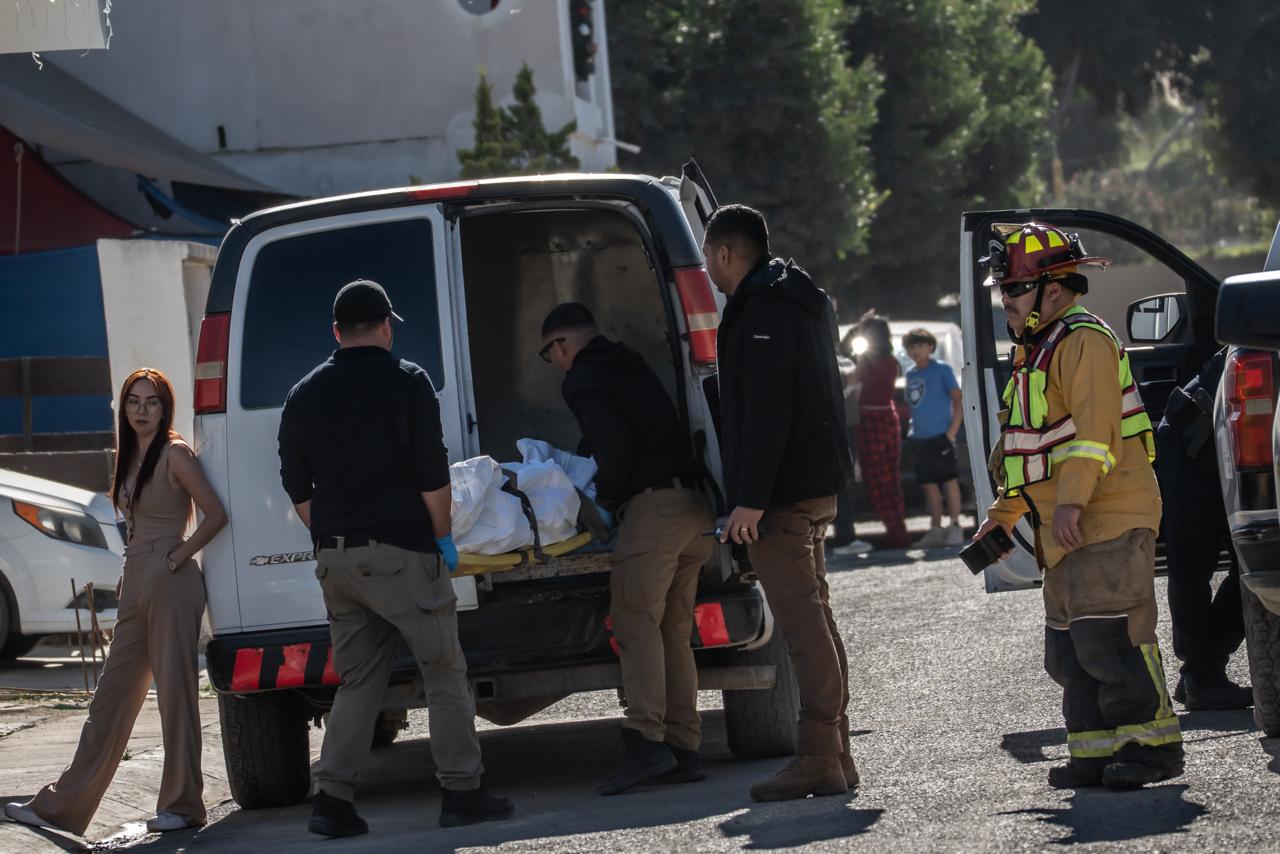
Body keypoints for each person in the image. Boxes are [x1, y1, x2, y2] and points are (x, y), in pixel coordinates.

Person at [277, 279, 512, 836]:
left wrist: (336, 533)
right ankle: (462, 793)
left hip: (337, 562)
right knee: (444, 671)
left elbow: (296, 484)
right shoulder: (408, 382)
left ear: (337, 332)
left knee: (359, 682)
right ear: (385, 327)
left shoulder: (303, 394)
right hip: (402, 554)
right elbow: (433, 474)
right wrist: (441, 539)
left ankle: (332, 803)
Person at [975, 222, 1183, 790]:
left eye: (1014, 290)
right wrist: (1002, 518)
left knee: (1113, 641)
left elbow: (1094, 436)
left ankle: (1151, 749)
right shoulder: (1036, 353)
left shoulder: (1083, 341)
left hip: (1104, 518)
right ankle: (1093, 752)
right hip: (1063, 529)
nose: (1006, 303)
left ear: (1055, 288)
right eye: (1004, 290)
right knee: (1070, 655)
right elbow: (1027, 452)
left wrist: (1069, 505)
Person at [5, 367, 228, 836]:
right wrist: (136, 575)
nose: (142, 410)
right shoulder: (130, 456)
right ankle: (60, 808)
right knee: (108, 701)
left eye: (151, 402)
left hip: (170, 579)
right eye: (134, 402)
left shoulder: (176, 453)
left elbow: (216, 514)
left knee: (175, 696)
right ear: (123, 409)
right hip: (137, 581)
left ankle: (184, 805)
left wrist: (176, 557)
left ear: (165, 408)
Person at [702, 204, 859, 802]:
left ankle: (821, 755)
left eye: (712, 263)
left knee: (802, 627)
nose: (713, 279)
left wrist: (750, 500)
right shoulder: (798, 296)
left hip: (784, 498)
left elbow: (768, 412)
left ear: (724, 253)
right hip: (811, 488)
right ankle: (834, 754)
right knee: (816, 618)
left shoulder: (762, 308)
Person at [540, 302, 714, 795]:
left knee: (636, 627)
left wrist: (605, 501)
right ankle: (684, 747)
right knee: (672, 634)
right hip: (694, 507)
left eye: (549, 353)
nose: (553, 363)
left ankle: (645, 744)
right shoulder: (628, 362)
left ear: (562, 345)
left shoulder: (580, 378)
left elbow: (613, 444)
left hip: (653, 511)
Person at [1156, 348, 1251, 709]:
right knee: (1196, 564)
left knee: (1243, 566)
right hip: (1193, 442)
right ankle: (1201, 676)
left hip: (1199, 435)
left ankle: (1199, 672)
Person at [851, 311, 910, 550]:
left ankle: (895, 533)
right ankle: (899, 529)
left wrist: (860, 324)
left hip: (870, 417)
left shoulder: (865, 359)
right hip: (889, 415)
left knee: (876, 480)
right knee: (891, 478)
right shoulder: (892, 360)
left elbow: (847, 348)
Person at [902, 328, 965, 547]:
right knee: (928, 485)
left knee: (949, 481)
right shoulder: (910, 374)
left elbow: (958, 401)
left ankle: (955, 525)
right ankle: (936, 528)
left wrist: (951, 433)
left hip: (941, 436)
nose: (915, 351)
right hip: (919, 437)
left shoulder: (942, 370)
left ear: (930, 347)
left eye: (920, 346)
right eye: (911, 347)